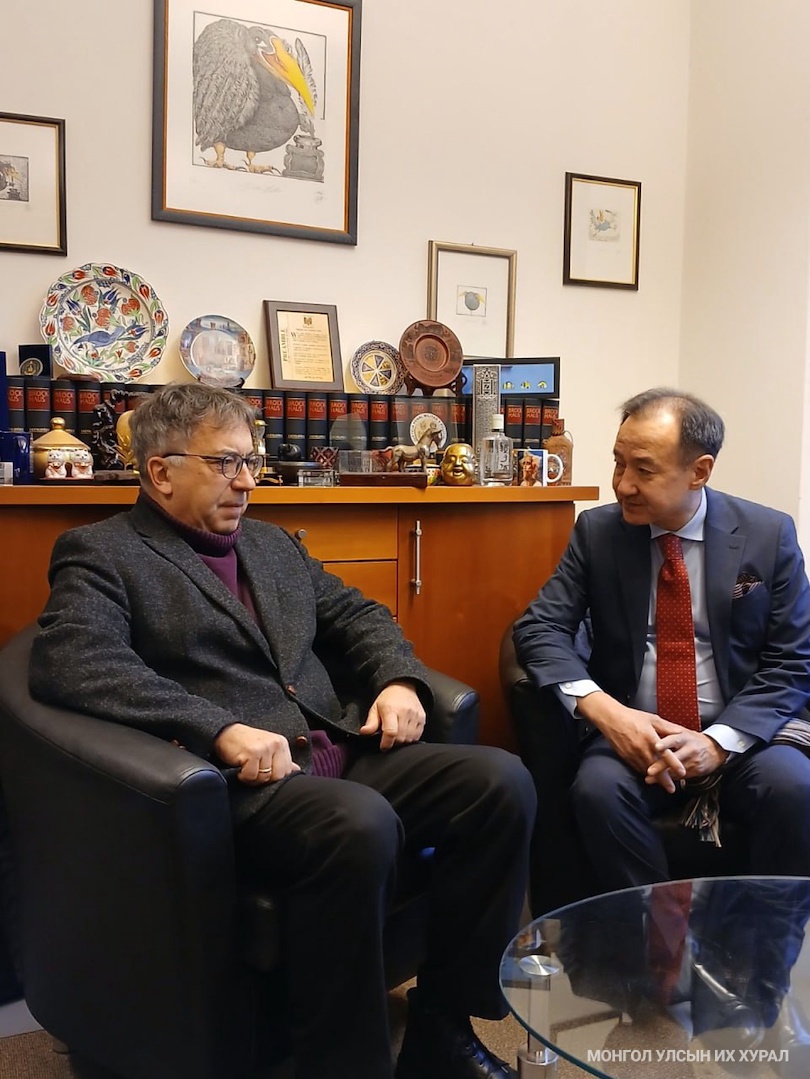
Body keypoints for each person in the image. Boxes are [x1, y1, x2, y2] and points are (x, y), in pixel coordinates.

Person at [29, 383, 536, 1079]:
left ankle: (444, 1025)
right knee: (359, 823)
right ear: (161, 472)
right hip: (239, 785)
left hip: (337, 747)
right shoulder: (102, 552)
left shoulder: (272, 544)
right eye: (225, 463)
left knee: (500, 781)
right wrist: (216, 728)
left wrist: (398, 680)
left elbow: (359, 616)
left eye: (251, 460)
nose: (247, 481)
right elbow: (75, 660)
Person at [514, 386, 810, 893]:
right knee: (597, 792)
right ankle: (658, 934)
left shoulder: (768, 534)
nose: (622, 484)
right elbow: (540, 627)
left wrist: (717, 744)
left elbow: (792, 662)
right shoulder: (598, 532)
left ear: (700, 471)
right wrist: (608, 713)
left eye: (644, 470)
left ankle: (761, 938)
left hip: (742, 735)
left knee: (794, 789)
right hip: (634, 730)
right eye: (618, 463)